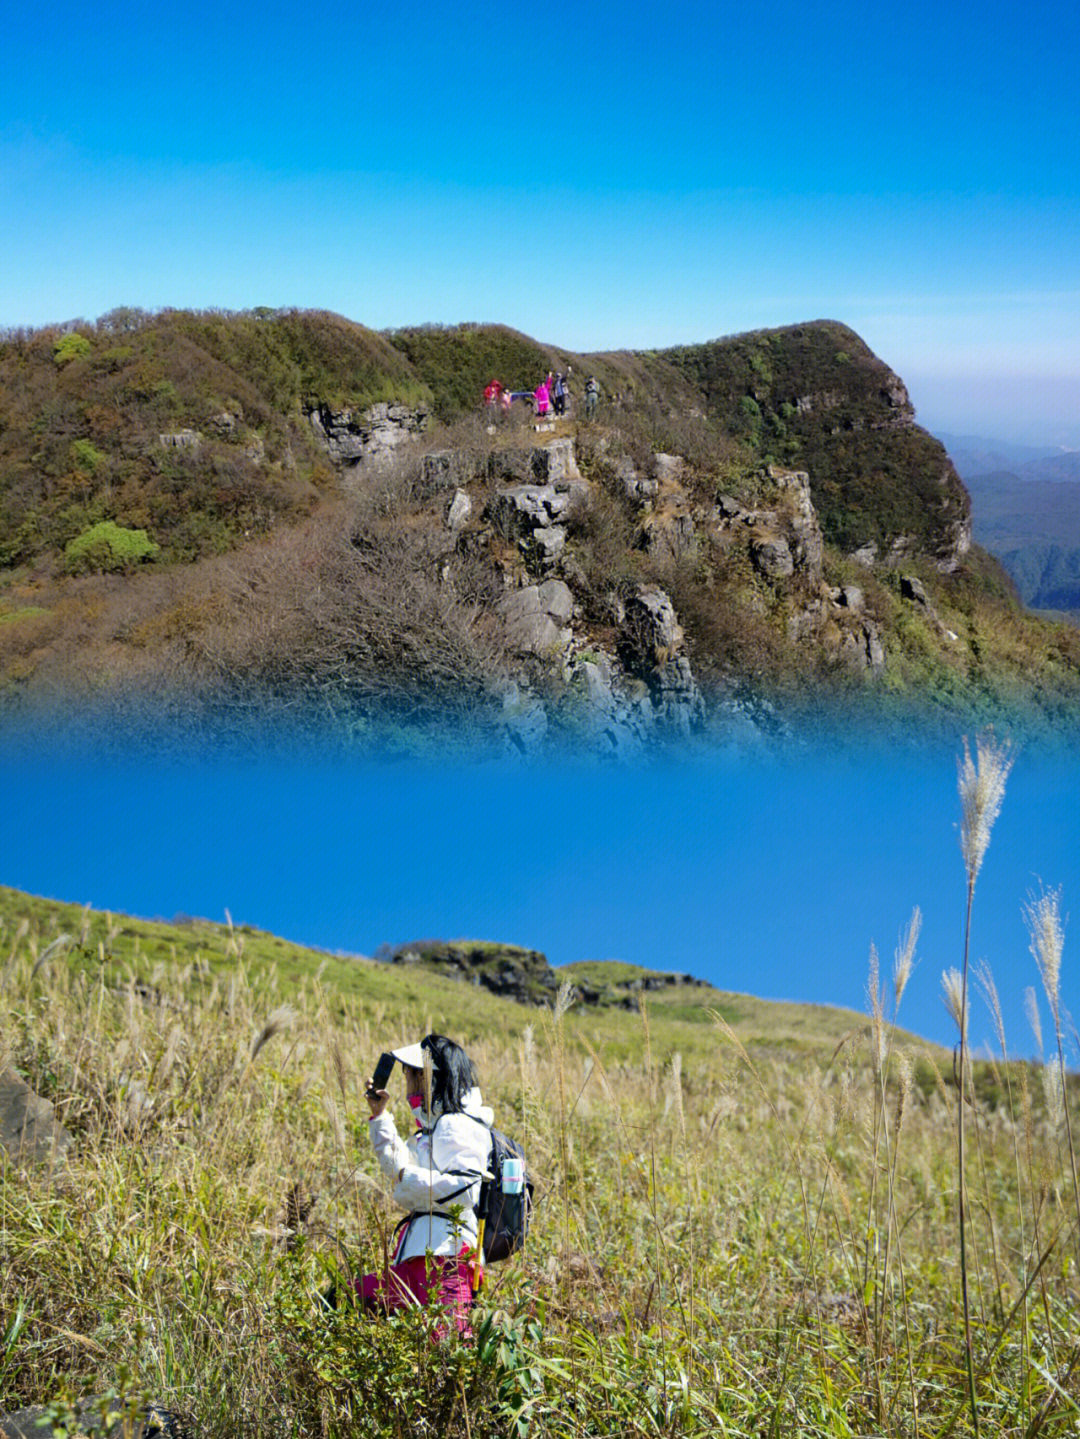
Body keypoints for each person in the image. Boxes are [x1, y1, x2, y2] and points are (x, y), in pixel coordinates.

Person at [349, 1035, 492, 1334]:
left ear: (428, 1077)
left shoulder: (457, 1123)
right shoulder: (433, 1126)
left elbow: (467, 1187)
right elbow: (397, 1168)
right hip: (423, 1260)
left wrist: (409, 1178)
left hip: (447, 1261)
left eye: (410, 1073)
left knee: (446, 1357)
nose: (406, 1083)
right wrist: (380, 1116)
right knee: (345, 1298)